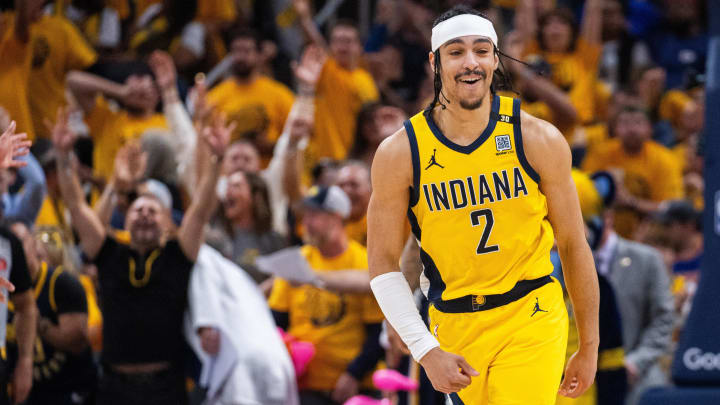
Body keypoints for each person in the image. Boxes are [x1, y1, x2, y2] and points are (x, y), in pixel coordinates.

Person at [367, 6, 599, 404]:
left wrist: (590, 344)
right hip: (455, 321)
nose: (470, 62)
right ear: (434, 62)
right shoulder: (400, 153)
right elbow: (383, 265)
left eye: (481, 50)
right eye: (455, 52)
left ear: (495, 59)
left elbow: (575, 245)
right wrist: (425, 350)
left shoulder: (538, 139)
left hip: (532, 310)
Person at [50, 105, 229, 405]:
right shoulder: (109, 253)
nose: (145, 214)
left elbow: (200, 210)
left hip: (166, 387)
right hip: (114, 386)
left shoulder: (178, 253)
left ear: (167, 221)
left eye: (153, 211)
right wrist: (62, 156)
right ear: (126, 219)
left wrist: (217, 159)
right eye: (138, 210)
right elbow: (77, 207)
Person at [268, 185, 385, 405]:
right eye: (305, 216)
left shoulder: (362, 261)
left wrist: (353, 374)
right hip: (304, 384)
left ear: (336, 217)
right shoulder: (294, 261)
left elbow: (377, 333)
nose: (306, 224)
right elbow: (276, 322)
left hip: (356, 385)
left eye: (314, 216)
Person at [592, 209, 674, 405]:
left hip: (636, 378)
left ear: (608, 217)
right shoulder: (559, 262)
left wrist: (636, 363)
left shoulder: (646, 259)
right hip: (581, 382)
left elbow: (664, 318)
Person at [8, 222, 96, 405]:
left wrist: (34, 322)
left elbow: (76, 342)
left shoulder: (63, 283)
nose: (14, 252)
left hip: (67, 390)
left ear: (34, 245)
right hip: (24, 394)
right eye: (8, 247)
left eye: (20, 244)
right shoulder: (4, 288)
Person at [293, 0, 379, 164]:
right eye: (337, 41)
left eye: (347, 41)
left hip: (356, 159)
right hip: (325, 161)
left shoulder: (366, 80)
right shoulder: (327, 70)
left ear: (359, 46)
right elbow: (314, 42)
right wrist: (304, 18)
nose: (342, 47)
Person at [582, 105, 684, 238]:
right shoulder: (600, 153)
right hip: (602, 233)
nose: (631, 129)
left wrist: (631, 202)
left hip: (650, 237)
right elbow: (582, 196)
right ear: (615, 128)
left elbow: (670, 208)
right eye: (625, 123)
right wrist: (608, 193)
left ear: (650, 128)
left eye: (638, 122)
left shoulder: (665, 159)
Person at [207, 27, 295, 162]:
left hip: (268, 173)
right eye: (236, 51)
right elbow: (205, 142)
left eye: (247, 51)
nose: (241, 57)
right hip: (229, 175)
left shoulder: (279, 94)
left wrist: (270, 146)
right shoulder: (215, 96)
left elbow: (298, 141)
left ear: (259, 56)